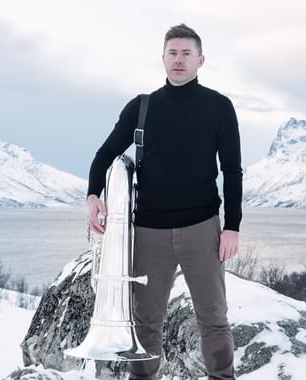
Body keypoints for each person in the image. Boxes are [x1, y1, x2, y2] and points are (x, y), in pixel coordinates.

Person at [86, 23, 241, 380]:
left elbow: (232, 170)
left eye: (187, 53)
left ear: (200, 60)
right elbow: (105, 153)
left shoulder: (219, 107)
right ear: (162, 59)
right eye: (172, 53)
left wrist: (231, 226)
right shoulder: (141, 108)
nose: (179, 60)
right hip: (149, 234)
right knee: (145, 322)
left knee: (214, 319)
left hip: (203, 229)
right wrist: (93, 195)